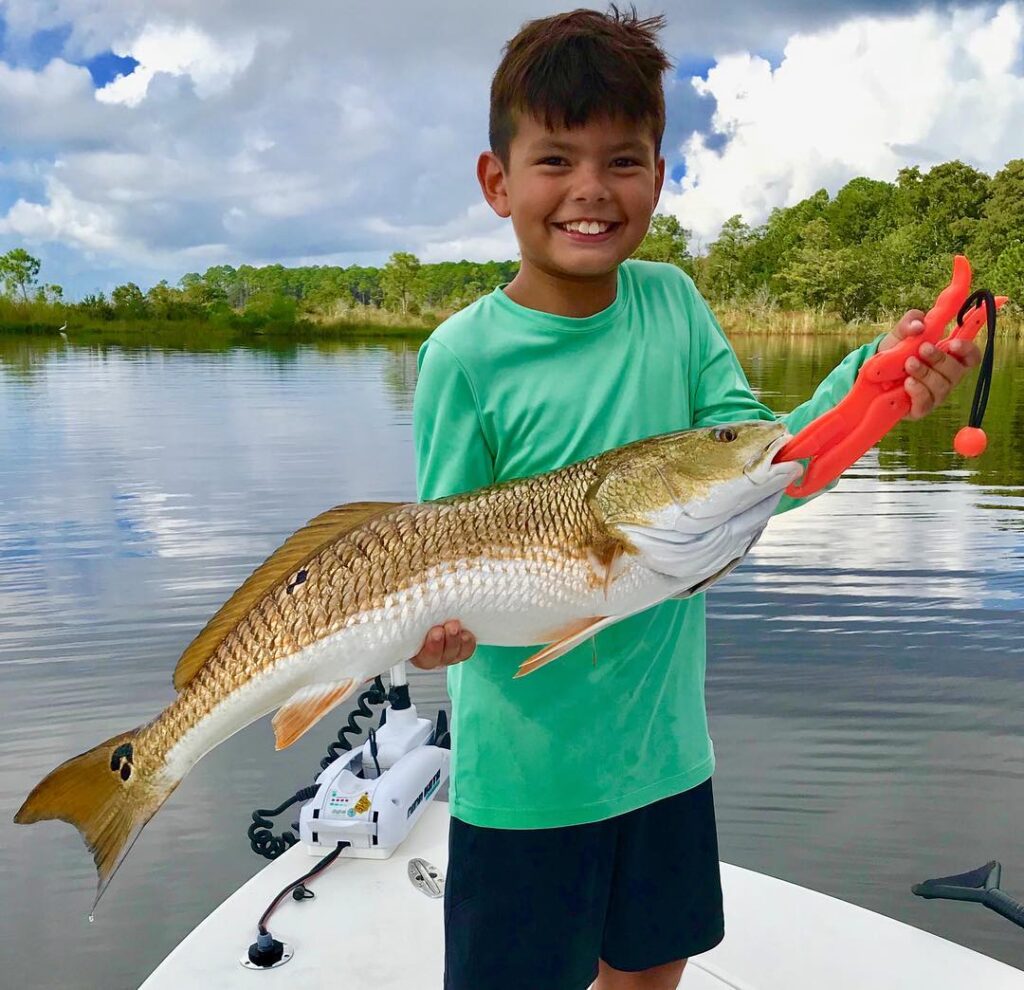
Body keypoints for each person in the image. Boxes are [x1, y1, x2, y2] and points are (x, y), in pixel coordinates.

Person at [408, 8, 980, 990]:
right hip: (525, 781)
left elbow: (771, 465)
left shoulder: (672, 304)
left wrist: (875, 384)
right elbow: (436, 550)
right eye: (555, 160)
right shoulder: (461, 356)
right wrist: (427, 634)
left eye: (622, 160)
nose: (590, 189)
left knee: (649, 969)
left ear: (659, 178)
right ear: (496, 181)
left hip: (665, 757)